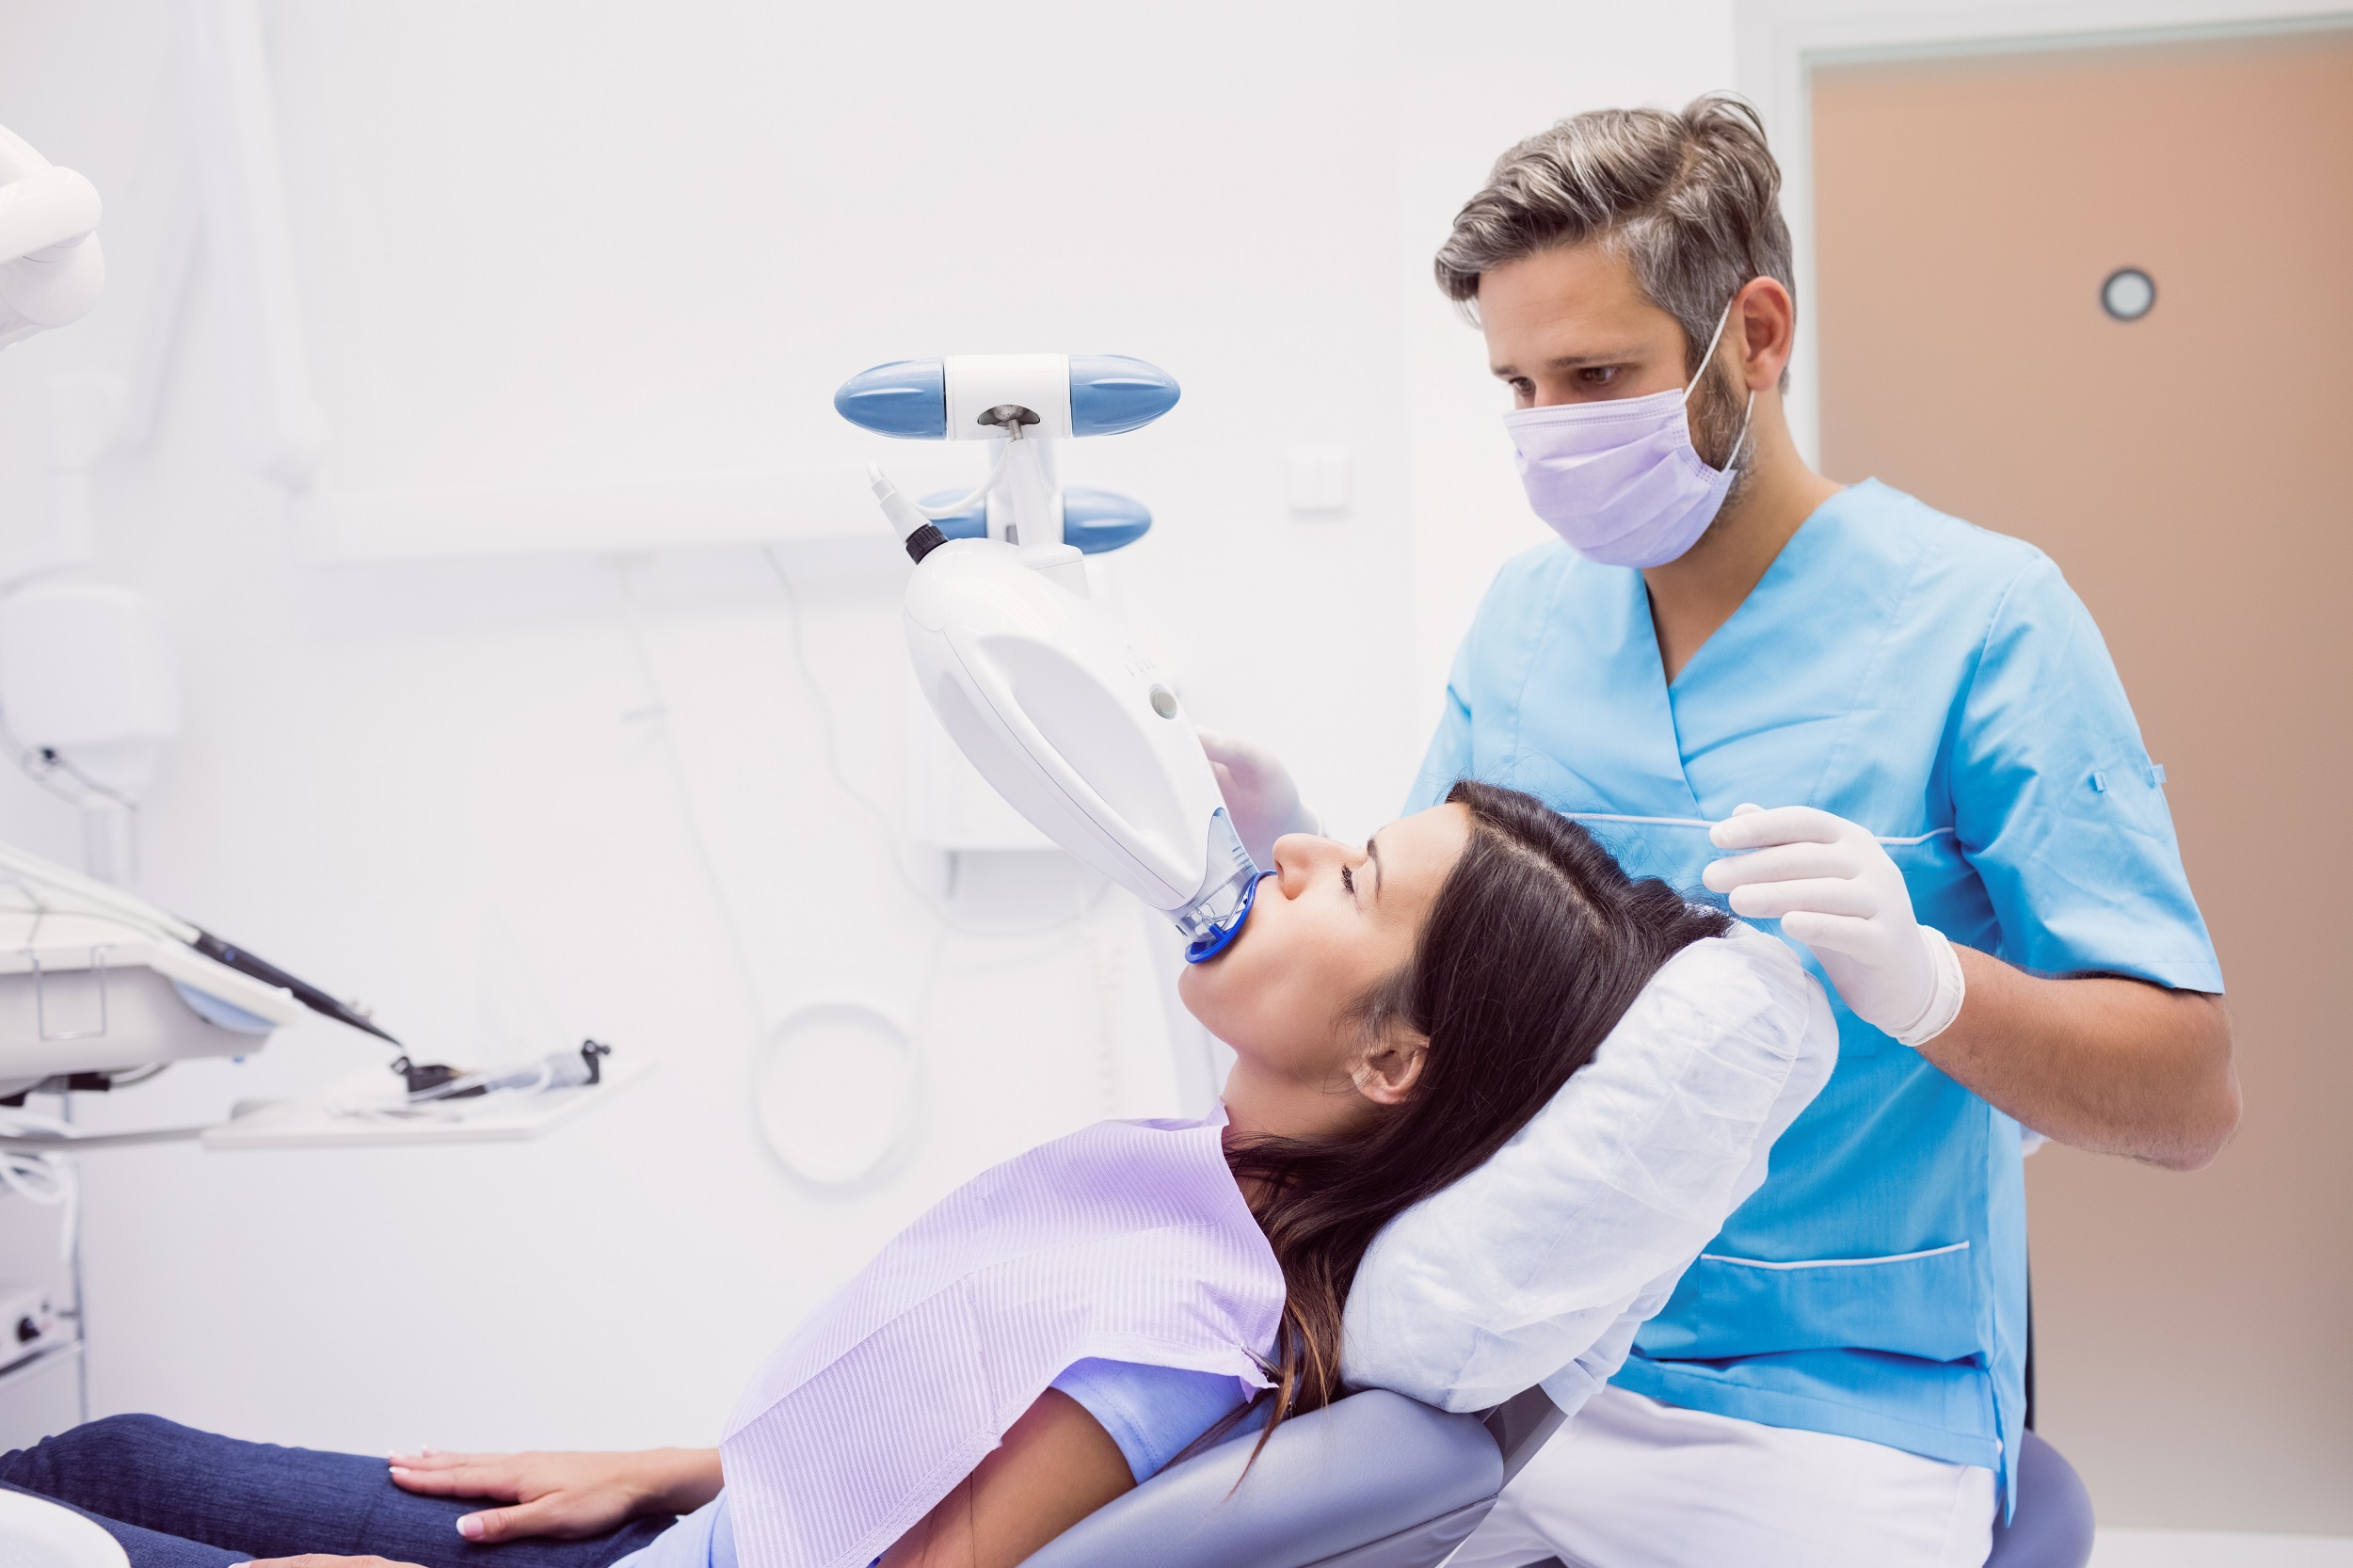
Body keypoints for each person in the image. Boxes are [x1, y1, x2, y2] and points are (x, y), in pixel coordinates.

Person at [1207, 94, 2237, 1568]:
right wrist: (1286, 868)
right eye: (1518, 388)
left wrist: (1929, 985)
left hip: (1843, 1402)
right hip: (1534, 1362)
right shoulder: (1528, 622)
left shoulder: (1986, 624)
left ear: (1756, 336)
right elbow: (1428, 995)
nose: (1549, 434)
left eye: (1598, 374)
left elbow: (2188, 1094)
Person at [0, 784, 1734, 1568]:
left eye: (1348, 874)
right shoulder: (1207, 1204)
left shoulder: (1187, 1322)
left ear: (1390, 1063)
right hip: (700, 1527)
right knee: (111, 1457)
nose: (1289, 849)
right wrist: (690, 1467)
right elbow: (938, 1438)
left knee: (69, 1505)